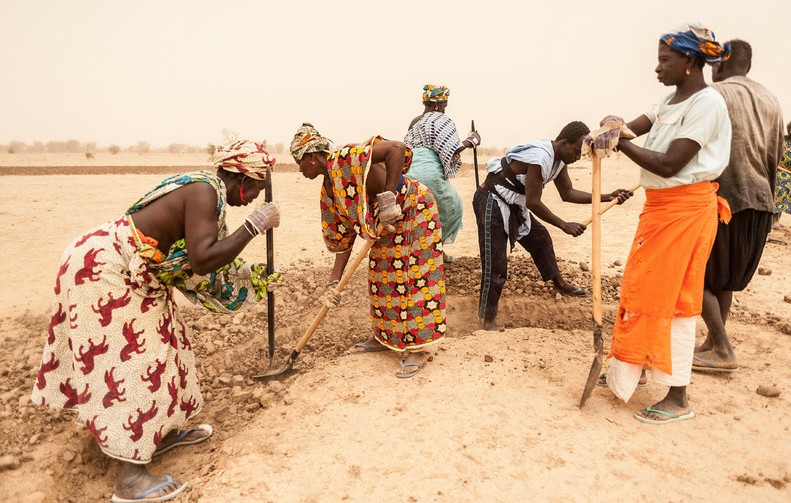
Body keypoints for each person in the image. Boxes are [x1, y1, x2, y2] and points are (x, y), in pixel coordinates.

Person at [31, 140, 282, 502]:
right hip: (104, 270)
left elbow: (201, 263)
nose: (254, 198)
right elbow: (202, 259)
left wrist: (250, 273)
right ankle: (130, 479)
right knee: (133, 360)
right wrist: (254, 226)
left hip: (135, 273)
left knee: (168, 343)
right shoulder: (203, 191)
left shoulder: (208, 195)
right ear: (243, 178)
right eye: (256, 189)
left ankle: (156, 432)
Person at [601, 23, 732, 424]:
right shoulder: (669, 101)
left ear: (690, 62)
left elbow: (671, 163)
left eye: (665, 61)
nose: (657, 68)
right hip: (660, 211)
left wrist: (618, 142)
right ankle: (632, 368)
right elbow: (633, 127)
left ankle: (678, 397)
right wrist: (612, 126)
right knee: (642, 291)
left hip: (685, 213)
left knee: (673, 302)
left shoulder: (707, 105)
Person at [289, 123, 445, 378]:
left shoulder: (344, 158)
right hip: (383, 221)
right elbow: (342, 237)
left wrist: (388, 198)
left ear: (313, 157)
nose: (299, 168)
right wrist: (334, 280)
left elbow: (397, 148)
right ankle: (383, 338)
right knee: (381, 275)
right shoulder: (329, 191)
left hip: (414, 207)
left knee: (414, 276)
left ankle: (418, 347)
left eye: (300, 161)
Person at [472, 121, 633, 330]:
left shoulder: (560, 161)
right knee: (496, 264)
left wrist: (606, 196)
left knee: (541, 238)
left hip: (512, 202)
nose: (577, 157)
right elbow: (533, 202)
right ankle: (488, 320)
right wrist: (563, 224)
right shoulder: (540, 158)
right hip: (492, 200)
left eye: (580, 153)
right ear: (564, 143)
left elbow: (568, 194)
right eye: (576, 151)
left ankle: (559, 283)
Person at [693, 40, 785, 373]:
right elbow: (776, 155)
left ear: (721, 63)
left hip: (723, 198)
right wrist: (771, 205)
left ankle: (723, 349)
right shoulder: (771, 99)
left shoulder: (715, 95)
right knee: (727, 278)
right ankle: (714, 342)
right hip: (760, 199)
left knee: (695, 274)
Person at [403, 84, 481, 257]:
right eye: (444, 104)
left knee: (416, 212)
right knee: (450, 208)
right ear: (437, 104)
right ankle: (436, 248)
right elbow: (452, 149)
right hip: (429, 172)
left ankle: (422, 250)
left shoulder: (415, 121)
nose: (445, 108)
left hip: (408, 172)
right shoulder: (441, 119)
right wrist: (472, 140)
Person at [773, 122, 791, 227]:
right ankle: (774, 220)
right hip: (778, 171)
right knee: (781, 187)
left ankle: (777, 218)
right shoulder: (781, 140)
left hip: (789, 174)